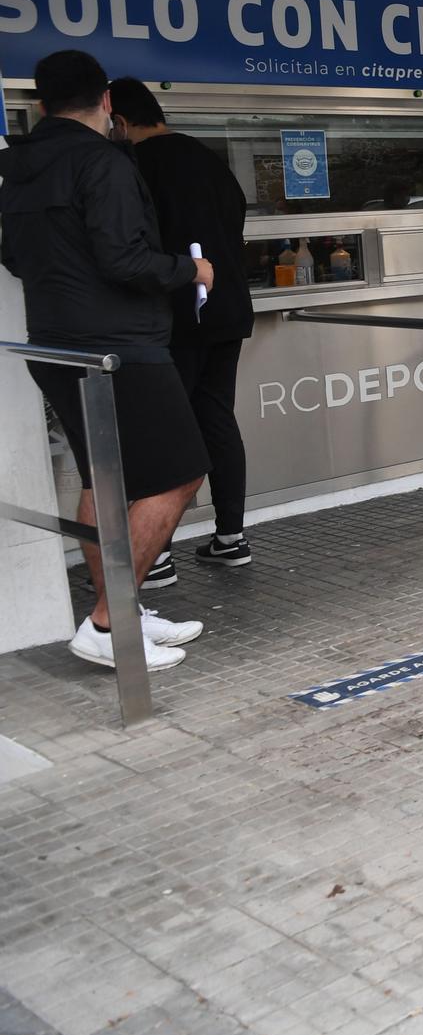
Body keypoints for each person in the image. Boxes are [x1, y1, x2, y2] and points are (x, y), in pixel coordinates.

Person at [0, 51, 211, 671]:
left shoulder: (15, 167)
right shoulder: (103, 162)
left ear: (41, 104)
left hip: (55, 344)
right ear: (108, 101)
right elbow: (126, 261)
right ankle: (108, 620)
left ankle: (122, 614)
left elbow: (14, 258)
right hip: (122, 350)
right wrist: (190, 269)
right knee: (180, 472)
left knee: (104, 479)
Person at [109, 78, 255, 584]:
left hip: (172, 315)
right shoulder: (208, 157)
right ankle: (231, 537)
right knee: (216, 417)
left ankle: (159, 554)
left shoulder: (132, 166)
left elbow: (130, 249)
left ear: (120, 123)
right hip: (228, 308)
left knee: (164, 431)